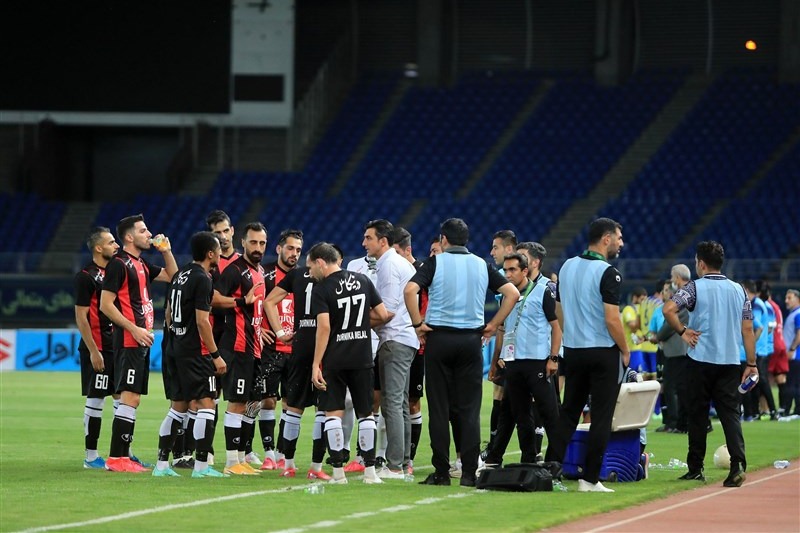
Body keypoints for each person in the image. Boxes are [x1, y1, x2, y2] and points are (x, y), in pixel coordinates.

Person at [404, 218, 518, 487]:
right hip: (470, 341)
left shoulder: (435, 262)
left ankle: (442, 472)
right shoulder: (481, 264)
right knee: (469, 409)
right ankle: (468, 473)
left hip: (440, 339)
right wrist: (493, 325)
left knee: (439, 408)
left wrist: (417, 324)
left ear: (443, 239)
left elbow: (410, 289)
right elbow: (512, 293)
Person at [663, 240, 756, 488]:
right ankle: (737, 465)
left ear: (701, 264)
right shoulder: (739, 290)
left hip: (700, 360)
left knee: (697, 415)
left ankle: (696, 468)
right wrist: (752, 363)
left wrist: (683, 331)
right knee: (730, 415)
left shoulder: (694, 287)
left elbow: (668, 309)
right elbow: (747, 329)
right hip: (730, 361)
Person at [550, 217, 629, 493]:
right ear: (606, 239)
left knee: (568, 413)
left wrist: (571, 334)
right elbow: (612, 319)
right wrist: (625, 349)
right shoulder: (609, 273)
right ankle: (590, 479)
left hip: (574, 351)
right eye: (618, 237)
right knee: (601, 416)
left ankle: (551, 470)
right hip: (602, 352)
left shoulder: (567, 266)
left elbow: (558, 310)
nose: (621, 243)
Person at [308, 242, 392, 484]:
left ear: (321, 262)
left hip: (335, 358)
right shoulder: (362, 280)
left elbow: (324, 327)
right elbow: (382, 314)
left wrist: (316, 363)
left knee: (333, 413)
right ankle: (370, 473)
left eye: (311, 266)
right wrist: (360, 324)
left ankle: (338, 474)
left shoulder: (322, 289)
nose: (310, 272)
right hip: (362, 356)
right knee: (366, 413)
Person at [100, 214, 178, 472]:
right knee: (129, 397)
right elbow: (105, 305)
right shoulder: (118, 264)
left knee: (132, 398)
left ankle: (124, 456)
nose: (149, 234)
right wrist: (134, 329)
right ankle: (117, 458)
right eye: (143, 230)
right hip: (128, 339)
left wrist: (166, 251)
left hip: (140, 341)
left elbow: (174, 276)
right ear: (129, 237)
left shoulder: (141, 264)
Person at [155, 232, 229, 478]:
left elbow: (168, 313)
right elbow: (202, 321)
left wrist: (176, 339)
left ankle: (161, 466)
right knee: (207, 404)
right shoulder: (203, 279)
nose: (220, 254)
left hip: (175, 348)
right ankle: (201, 467)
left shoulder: (181, 274)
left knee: (178, 407)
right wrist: (215, 355)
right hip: (196, 352)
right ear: (210, 253)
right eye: (218, 250)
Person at [264, 249, 329, 479]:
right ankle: (316, 468)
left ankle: (288, 465)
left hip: (300, 345)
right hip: (324, 346)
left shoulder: (296, 275)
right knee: (323, 408)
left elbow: (269, 301)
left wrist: (280, 332)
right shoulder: (331, 277)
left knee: (293, 407)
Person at [361, 220, 419, 479]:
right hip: (404, 339)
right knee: (400, 404)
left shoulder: (388, 264)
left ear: (383, 241)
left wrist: (355, 322)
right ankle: (402, 462)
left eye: (368, 238)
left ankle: (394, 466)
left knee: (392, 403)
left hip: (395, 339)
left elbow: (388, 311)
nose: (364, 243)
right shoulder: (399, 262)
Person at [494, 252, 562, 464]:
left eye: (512, 270)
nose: (507, 274)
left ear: (525, 271)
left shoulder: (542, 291)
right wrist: (501, 355)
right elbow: (505, 328)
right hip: (513, 363)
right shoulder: (506, 295)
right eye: (505, 270)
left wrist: (553, 358)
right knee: (521, 416)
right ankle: (528, 460)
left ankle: (558, 461)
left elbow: (556, 327)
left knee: (550, 414)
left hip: (537, 363)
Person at [216, 222, 268, 476]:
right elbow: (213, 298)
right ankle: (230, 462)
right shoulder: (235, 270)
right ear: (243, 243)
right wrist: (240, 301)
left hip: (253, 346)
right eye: (253, 242)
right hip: (237, 346)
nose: (258, 247)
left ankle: (239, 459)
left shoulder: (259, 271)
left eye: (262, 243)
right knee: (236, 403)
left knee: (248, 403)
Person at [258, 229, 304, 470]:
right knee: (267, 401)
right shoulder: (264, 274)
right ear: (278, 249)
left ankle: (282, 453)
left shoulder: (304, 277)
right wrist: (257, 329)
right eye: (290, 248)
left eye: (298, 249)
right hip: (270, 349)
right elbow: (253, 306)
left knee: (290, 402)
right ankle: (268, 454)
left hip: (295, 351)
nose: (294, 253)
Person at [75, 227, 120, 469]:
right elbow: (81, 317)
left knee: (122, 397)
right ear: (99, 248)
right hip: (98, 348)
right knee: (97, 398)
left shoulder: (114, 273)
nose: (117, 245)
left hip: (116, 346)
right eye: (111, 242)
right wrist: (93, 350)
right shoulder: (86, 277)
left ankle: (122, 454)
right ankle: (91, 457)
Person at [391, 226, 427, 473]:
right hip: (399, 340)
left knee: (411, 401)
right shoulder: (392, 270)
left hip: (417, 344)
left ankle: (408, 458)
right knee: (394, 400)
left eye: (396, 252)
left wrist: (420, 328)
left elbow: (427, 305)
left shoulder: (422, 272)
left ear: (407, 250)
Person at [743, 281, 778, 420]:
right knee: (757, 380)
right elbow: (770, 326)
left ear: (746, 290)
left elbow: (755, 326)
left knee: (761, 379)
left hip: (760, 348)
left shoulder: (756, 305)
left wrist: (751, 343)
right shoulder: (762, 304)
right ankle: (755, 411)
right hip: (762, 347)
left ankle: (773, 410)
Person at [783, 289, 800, 416]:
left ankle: (789, 410)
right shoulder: (793, 313)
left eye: (789, 298)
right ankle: (796, 410)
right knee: (794, 384)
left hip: (795, 355)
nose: (786, 301)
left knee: (792, 384)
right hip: (794, 355)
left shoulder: (798, 314)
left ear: (797, 299)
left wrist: (792, 349)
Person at [622, 287, 646, 373]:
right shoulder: (628, 309)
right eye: (642, 299)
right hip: (632, 349)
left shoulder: (643, 310)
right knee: (633, 375)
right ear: (635, 297)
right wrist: (641, 316)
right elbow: (632, 326)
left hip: (643, 348)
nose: (643, 302)